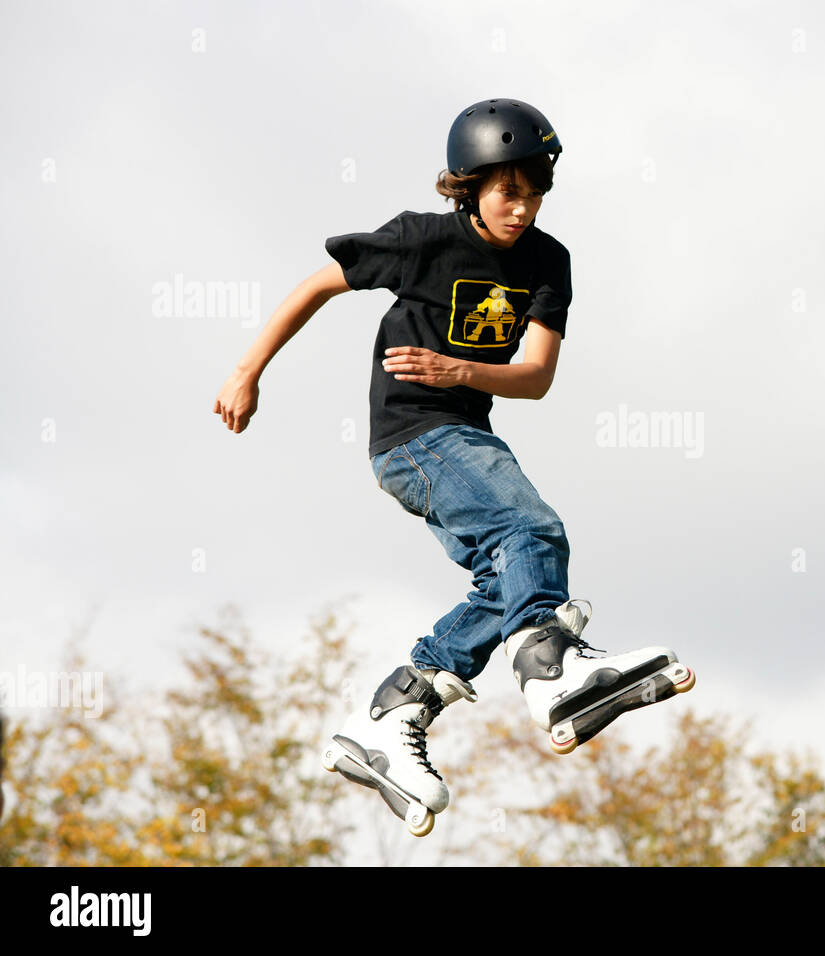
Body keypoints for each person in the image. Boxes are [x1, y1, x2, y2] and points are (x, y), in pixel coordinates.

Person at [213, 98, 694, 836]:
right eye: (508, 192)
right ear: (468, 185)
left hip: (465, 433)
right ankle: (550, 665)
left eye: (534, 192)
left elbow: (535, 375)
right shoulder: (421, 241)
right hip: (412, 437)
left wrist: (455, 367)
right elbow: (316, 285)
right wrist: (248, 372)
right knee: (530, 527)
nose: (522, 207)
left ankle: (396, 712)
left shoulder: (547, 262)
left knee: (507, 575)